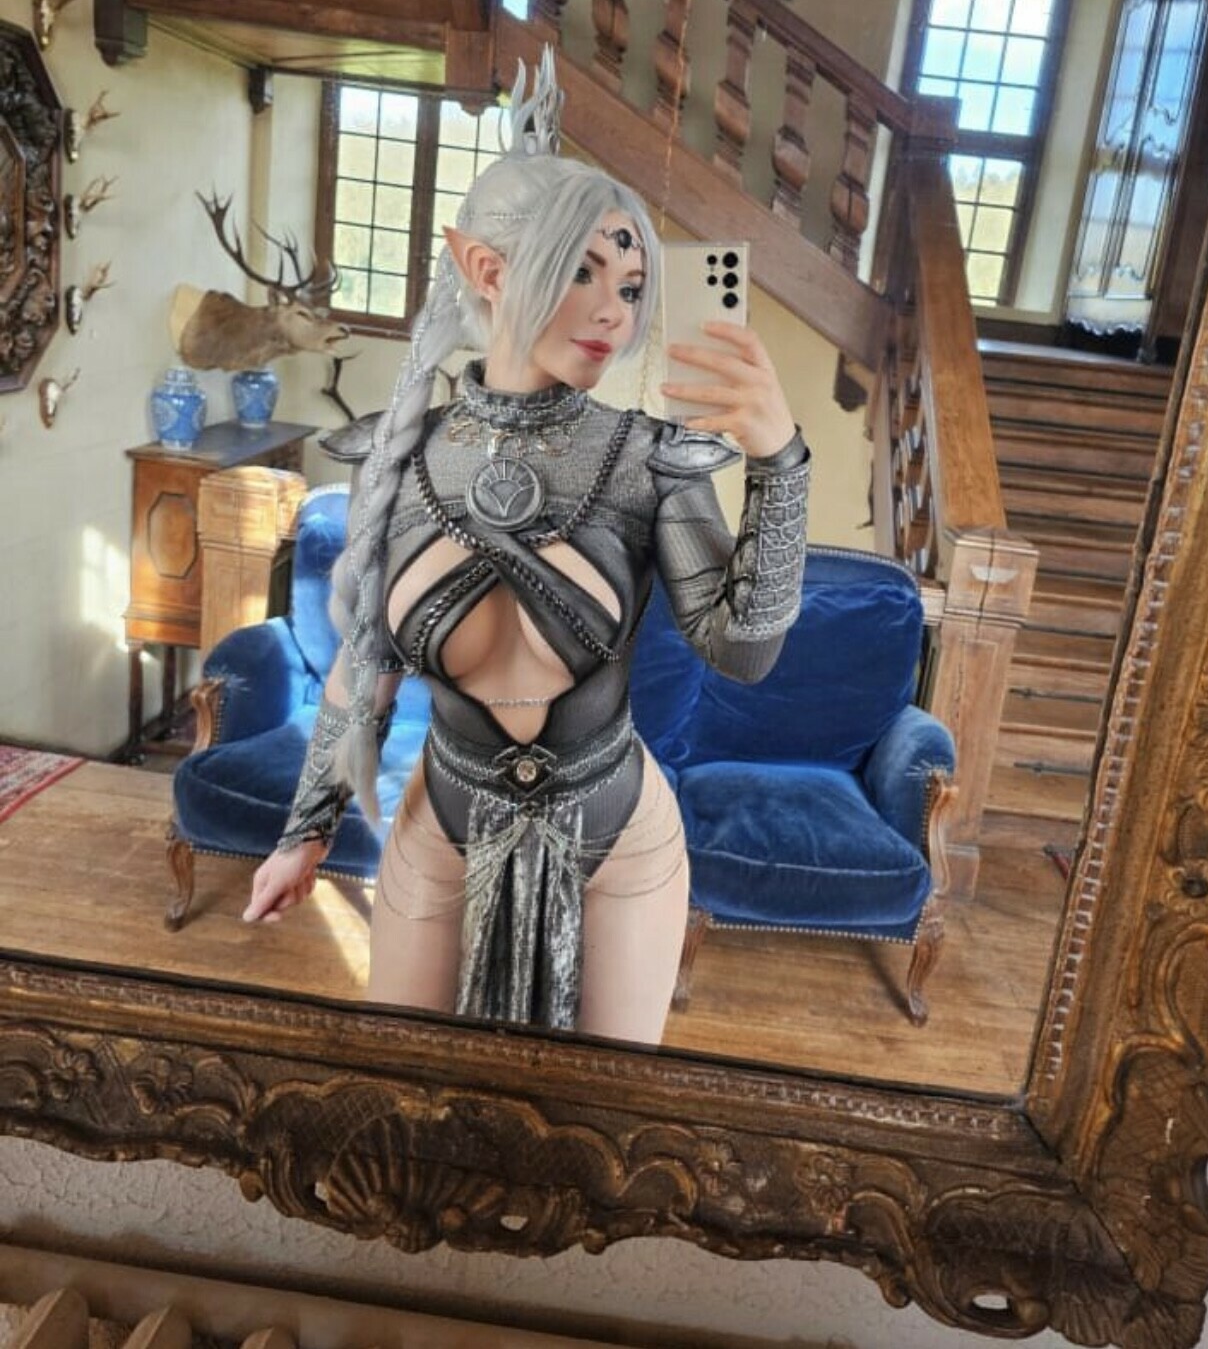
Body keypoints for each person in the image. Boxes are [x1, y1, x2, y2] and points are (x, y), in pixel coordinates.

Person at [243, 52, 811, 1045]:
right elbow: (363, 670)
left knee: (598, 1114)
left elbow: (744, 650)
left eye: (632, 284)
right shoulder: (398, 455)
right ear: (487, 269)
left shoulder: (647, 460)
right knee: (411, 1092)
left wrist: (781, 461)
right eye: (582, 270)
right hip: (441, 822)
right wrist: (306, 831)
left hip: (621, 838)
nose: (614, 311)